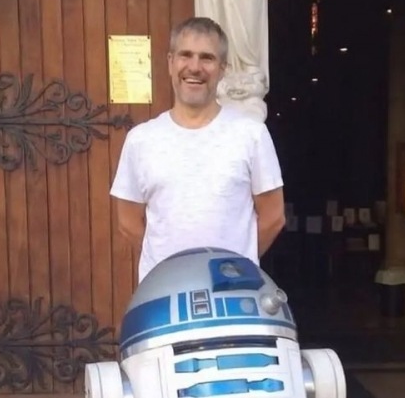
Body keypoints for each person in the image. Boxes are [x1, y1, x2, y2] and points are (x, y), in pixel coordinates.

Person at [109, 17, 286, 283]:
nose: (194, 67)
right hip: (164, 290)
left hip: (232, 291)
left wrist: (235, 264)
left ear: (222, 68)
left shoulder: (251, 135)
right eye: (185, 55)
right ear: (170, 62)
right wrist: (168, 266)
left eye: (207, 58)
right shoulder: (140, 140)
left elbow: (273, 217)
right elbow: (128, 222)